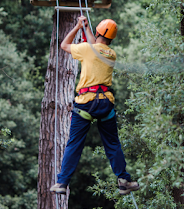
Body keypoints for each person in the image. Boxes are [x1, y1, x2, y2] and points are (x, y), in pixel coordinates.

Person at [50, 16, 139, 196]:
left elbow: (64, 45)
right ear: (112, 38)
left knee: (74, 144)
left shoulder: (87, 49)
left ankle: (62, 183)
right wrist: (87, 28)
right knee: (113, 143)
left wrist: (77, 27)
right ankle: (123, 180)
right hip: (105, 103)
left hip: (85, 103)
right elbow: (96, 45)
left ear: (98, 32)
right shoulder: (111, 54)